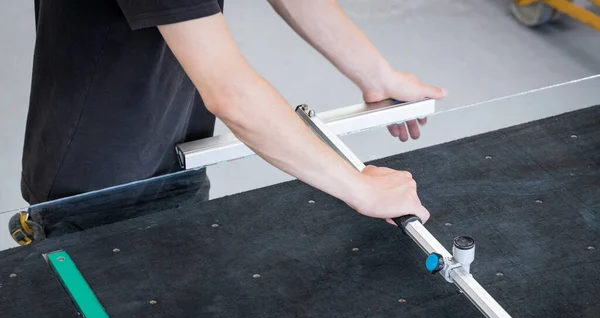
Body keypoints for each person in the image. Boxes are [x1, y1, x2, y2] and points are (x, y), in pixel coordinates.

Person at [18, 0, 446, 241]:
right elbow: (231, 93)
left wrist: (377, 76)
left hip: (177, 146)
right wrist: (359, 189)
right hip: (99, 187)